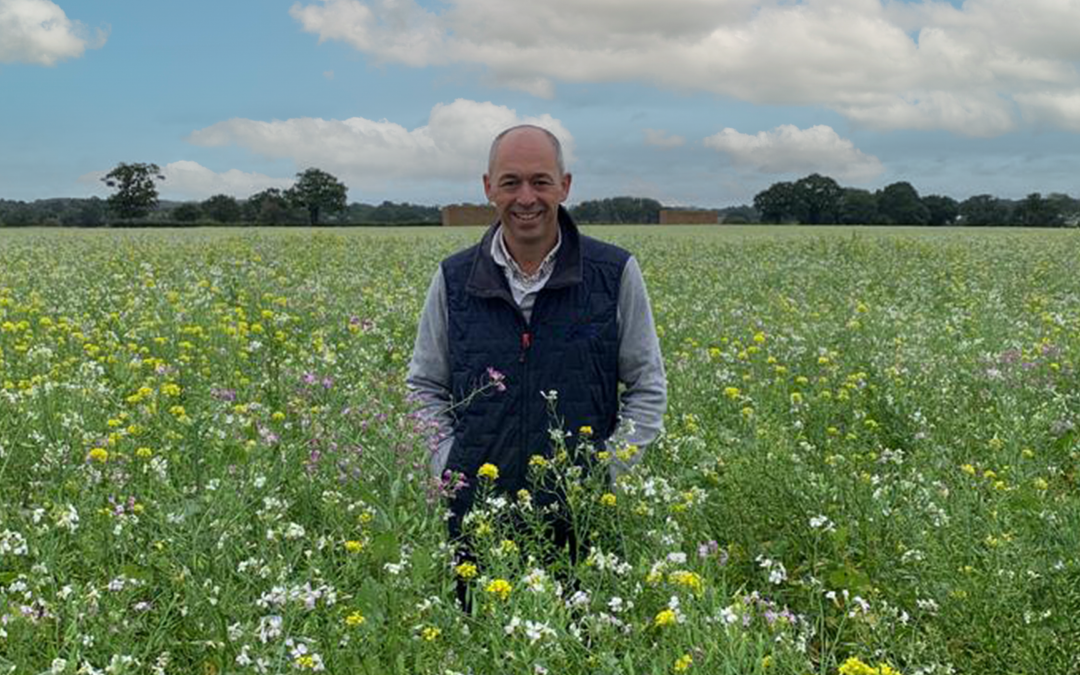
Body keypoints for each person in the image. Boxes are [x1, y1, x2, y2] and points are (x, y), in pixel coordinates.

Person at [406, 125, 667, 589]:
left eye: (541, 181)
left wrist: (607, 473)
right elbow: (424, 386)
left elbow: (647, 385)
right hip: (478, 516)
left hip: (581, 518)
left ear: (564, 186)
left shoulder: (614, 273)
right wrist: (448, 466)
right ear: (488, 188)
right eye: (510, 182)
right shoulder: (453, 278)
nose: (526, 197)